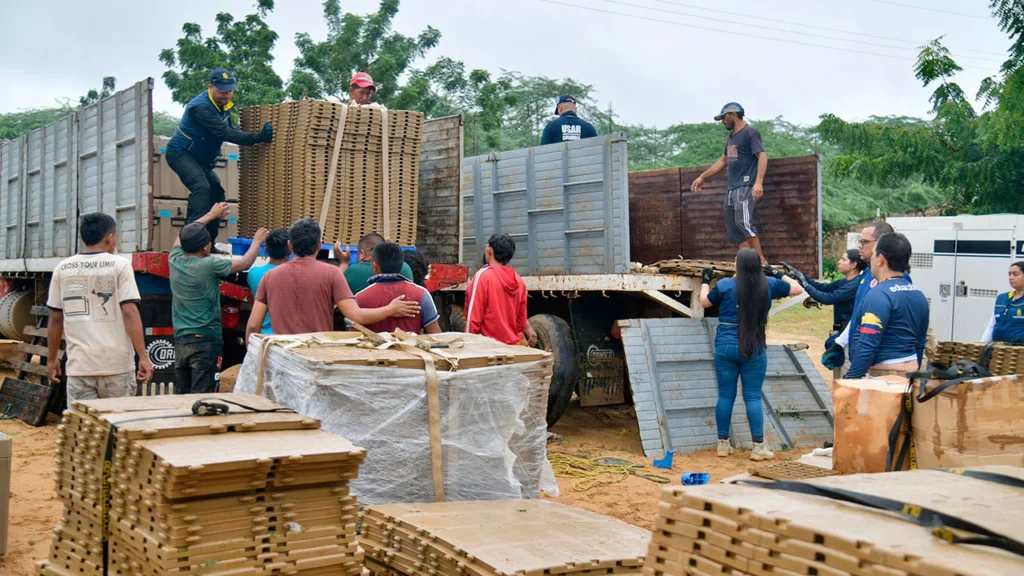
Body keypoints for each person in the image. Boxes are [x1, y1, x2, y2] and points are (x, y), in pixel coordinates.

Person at [699, 249, 803, 461]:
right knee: (753, 397)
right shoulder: (769, 284)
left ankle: (722, 444)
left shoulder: (726, 284)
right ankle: (758, 447)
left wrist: (705, 280)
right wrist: (776, 273)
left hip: (725, 346)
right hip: (754, 347)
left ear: (737, 265)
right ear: (757, 266)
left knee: (726, 395)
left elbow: (704, 302)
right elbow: (797, 289)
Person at [245, 219, 420, 341]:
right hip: (317, 355)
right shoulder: (331, 274)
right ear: (319, 246)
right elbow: (356, 316)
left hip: (282, 354)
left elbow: (253, 326)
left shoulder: (269, 277)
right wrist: (390, 309)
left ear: (290, 246)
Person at [45, 213, 154, 405]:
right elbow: (129, 312)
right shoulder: (120, 265)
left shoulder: (62, 268)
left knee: (83, 429)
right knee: (119, 428)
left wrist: (51, 359)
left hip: (80, 368)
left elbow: (55, 318)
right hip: (117, 366)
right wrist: (143, 356)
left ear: (82, 238)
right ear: (110, 237)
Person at [165, 68, 273, 250]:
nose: (227, 95)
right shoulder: (200, 107)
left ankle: (208, 243)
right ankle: (192, 241)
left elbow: (232, 129)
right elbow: (224, 133)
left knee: (216, 193)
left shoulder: (223, 106)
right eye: (223, 91)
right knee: (201, 186)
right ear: (210, 87)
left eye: (230, 91)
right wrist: (257, 137)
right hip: (181, 153)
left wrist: (254, 137)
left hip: (198, 158)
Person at [170, 204, 269, 394]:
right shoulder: (209, 264)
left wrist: (210, 215)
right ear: (206, 247)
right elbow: (244, 263)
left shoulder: (175, 259)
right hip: (205, 341)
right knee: (202, 396)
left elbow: (181, 235)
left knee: (181, 397)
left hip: (181, 340)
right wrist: (257, 241)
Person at [690, 103, 769, 264]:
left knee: (744, 222)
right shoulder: (732, 137)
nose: (722, 122)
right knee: (734, 228)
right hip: (732, 189)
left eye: (723, 118)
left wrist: (758, 182)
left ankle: (761, 261)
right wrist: (702, 177)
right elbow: (723, 161)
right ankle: (748, 263)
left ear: (733, 114)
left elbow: (762, 156)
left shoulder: (750, 132)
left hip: (746, 186)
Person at [845, 233, 929, 379]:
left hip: (883, 375)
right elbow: (920, 342)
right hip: (910, 372)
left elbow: (868, 344)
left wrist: (850, 381)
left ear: (880, 259)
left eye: (874, 254)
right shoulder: (918, 294)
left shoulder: (878, 295)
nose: (871, 258)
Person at [821, 221, 896, 370]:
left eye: (864, 242)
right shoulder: (867, 275)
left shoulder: (893, 279)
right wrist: (839, 344)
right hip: (863, 358)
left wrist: (857, 370)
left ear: (881, 244)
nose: (860, 246)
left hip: (881, 363)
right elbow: (858, 315)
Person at [783, 249, 867, 349]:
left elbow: (828, 298)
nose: (839, 262)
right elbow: (822, 287)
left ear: (853, 265)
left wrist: (804, 284)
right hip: (841, 330)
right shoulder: (846, 281)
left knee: (832, 349)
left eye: (843, 260)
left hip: (848, 334)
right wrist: (798, 275)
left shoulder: (854, 285)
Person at [465, 233, 538, 346]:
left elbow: (473, 318)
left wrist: (469, 346)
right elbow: (520, 322)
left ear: (490, 251)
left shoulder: (483, 276)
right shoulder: (519, 281)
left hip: (488, 349)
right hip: (511, 348)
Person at [355, 242, 441, 335]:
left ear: (374, 266)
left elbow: (352, 337)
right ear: (401, 266)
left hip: (372, 349)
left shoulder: (360, 298)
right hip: (411, 349)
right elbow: (436, 335)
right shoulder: (421, 294)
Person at [246, 229, 291, 335]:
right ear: (290, 250)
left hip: (263, 336)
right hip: (289, 337)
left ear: (265, 249)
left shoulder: (254, 273)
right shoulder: (297, 274)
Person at [341, 233, 414, 293]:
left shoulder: (353, 271)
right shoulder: (405, 267)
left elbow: (333, 288)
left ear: (362, 253)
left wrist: (344, 263)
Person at [981, 261, 1024, 343]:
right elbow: (991, 325)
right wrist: (982, 345)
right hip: (998, 349)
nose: (1011, 277)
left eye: (1015, 274)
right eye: (1009, 274)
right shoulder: (1002, 298)